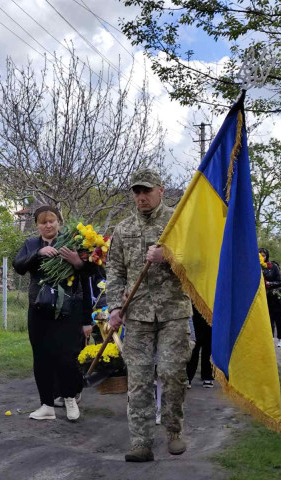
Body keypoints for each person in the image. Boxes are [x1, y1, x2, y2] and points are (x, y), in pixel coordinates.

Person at [106, 168, 192, 462]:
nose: (141, 197)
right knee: (139, 378)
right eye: (137, 192)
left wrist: (168, 256)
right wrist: (114, 308)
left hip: (173, 311)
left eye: (147, 191)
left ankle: (174, 431)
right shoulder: (123, 228)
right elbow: (115, 271)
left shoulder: (178, 224)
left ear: (160, 190)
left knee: (171, 372)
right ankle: (140, 441)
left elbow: (198, 262)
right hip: (137, 313)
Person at [13, 205, 93, 422]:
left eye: (51, 221)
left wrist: (77, 262)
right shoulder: (31, 244)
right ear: (37, 225)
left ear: (59, 222)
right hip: (39, 309)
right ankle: (46, 405)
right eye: (43, 222)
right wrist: (38, 254)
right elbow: (18, 265)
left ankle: (70, 399)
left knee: (67, 357)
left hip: (68, 310)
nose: (48, 225)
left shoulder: (73, 242)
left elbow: (88, 276)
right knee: (41, 357)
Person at [259, 249, 281, 347]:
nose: (262, 257)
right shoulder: (256, 266)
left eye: (264, 255)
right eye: (260, 255)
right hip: (263, 297)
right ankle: (270, 339)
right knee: (268, 319)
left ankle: (280, 338)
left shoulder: (273, 266)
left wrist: (269, 283)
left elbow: (280, 281)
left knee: (279, 319)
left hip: (275, 297)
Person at [186, 306, 214, 386]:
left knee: (208, 343)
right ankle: (188, 376)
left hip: (210, 306)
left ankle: (207, 375)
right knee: (194, 344)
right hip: (195, 307)